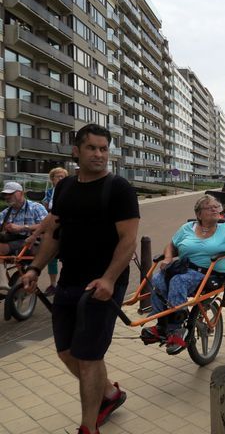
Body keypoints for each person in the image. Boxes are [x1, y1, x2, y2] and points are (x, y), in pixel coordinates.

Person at [22, 124, 139, 434]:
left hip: (103, 284)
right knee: (66, 352)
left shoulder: (119, 189)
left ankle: (88, 427)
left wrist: (110, 279)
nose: (100, 154)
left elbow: (128, 241)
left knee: (88, 357)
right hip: (70, 279)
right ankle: (110, 394)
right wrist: (35, 268)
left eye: (104, 148)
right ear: (77, 151)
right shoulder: (65, 188)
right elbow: (55, 234)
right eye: (92, 148)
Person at [141, 193, 225, 353]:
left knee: (178, 281)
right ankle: (162, 326)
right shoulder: (187, 228)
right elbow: (171, 244)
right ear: (199, 214)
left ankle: (177, 330)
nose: (215, 209)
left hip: (211, 274)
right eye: (209, 207)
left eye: (216, 207)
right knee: (157, 280)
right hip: (185, 268)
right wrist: (168, 258)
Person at [0, 181, 48, 256]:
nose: (7, 197)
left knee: (2, 248)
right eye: (5, 194)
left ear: (21, 193)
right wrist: (5, 228)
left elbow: (47, 225)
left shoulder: (36, 207)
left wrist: (22, 228)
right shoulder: (5, 213)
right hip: (14, 241)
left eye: (11, 193)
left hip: (33, 241)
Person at [41, 167, 69, 296]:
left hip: (65, 227)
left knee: (67, 256)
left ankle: (67, 283)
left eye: (62, 176)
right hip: (52, 226)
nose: (60, 178)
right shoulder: (49, 192)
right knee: (51, 257)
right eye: (57, 176)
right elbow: (46, 208)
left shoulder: (69, 190)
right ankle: (53, 284)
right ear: (52, 179)